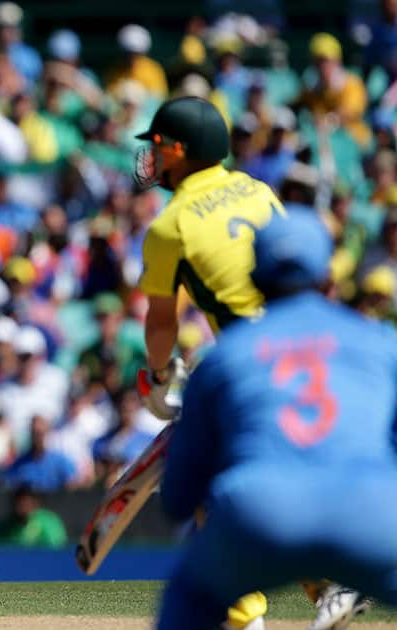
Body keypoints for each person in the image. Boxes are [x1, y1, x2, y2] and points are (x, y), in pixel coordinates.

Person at [157, 211, 388, 630]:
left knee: (190, 595)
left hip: (261, 511)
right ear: (328, 280)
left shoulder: (222, 360)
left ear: (256, 282)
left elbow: (177, 500)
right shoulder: (382, 343)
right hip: (371, 511)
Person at [133, 95, 302, 629]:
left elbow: (162, 323)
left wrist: (160, 377)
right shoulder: (258, 189)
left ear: (180, 150)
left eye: (158, 147)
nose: (152, 158)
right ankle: (326, 585)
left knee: (215, 486)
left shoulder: (171, 225)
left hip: (257, 363)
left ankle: (246, 617)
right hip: (312, 342)